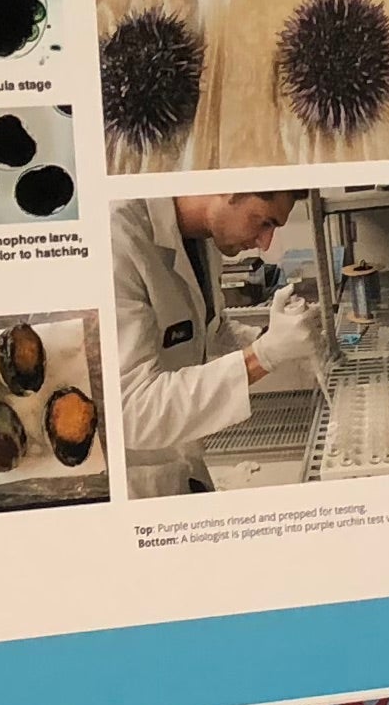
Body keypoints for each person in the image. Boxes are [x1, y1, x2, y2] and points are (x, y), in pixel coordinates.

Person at [108, 190, 323, 495]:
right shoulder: (117, 237)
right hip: (137, 484)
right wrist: (264, 354)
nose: (265, 243)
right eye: (264, 222)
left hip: (185, 462)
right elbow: (131, 409)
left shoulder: (204, 239)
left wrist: (276, 336)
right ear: (230, 188)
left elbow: (208, 333)